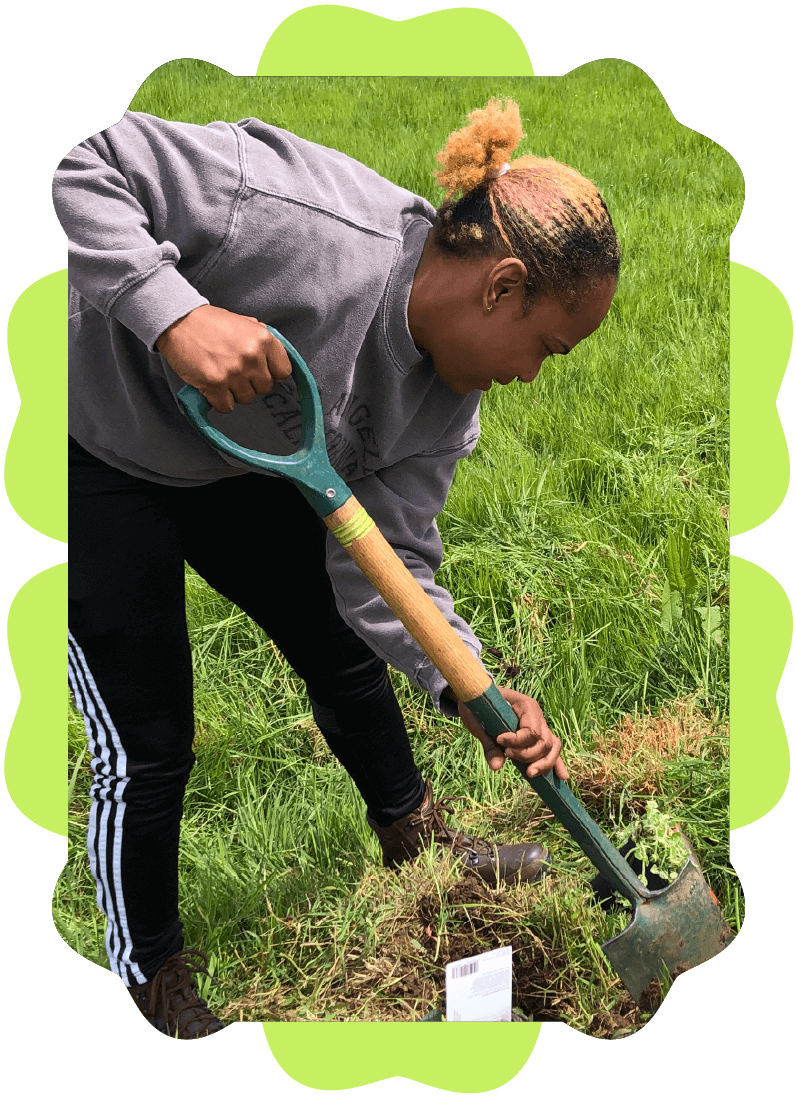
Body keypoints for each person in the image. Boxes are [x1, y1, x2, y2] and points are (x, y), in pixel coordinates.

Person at [56, 98, 620, 1038]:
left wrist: (473, 687)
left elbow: (388, 565)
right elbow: (87, 163)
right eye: (546, 348)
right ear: (502, 286)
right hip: (89, 437)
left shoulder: (446, 406)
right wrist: (174, 316)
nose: (532, 375)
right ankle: (149, 974)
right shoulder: (292, 214)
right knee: (149, 743)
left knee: (341, 645)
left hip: (237, 453)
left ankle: (415, 834)